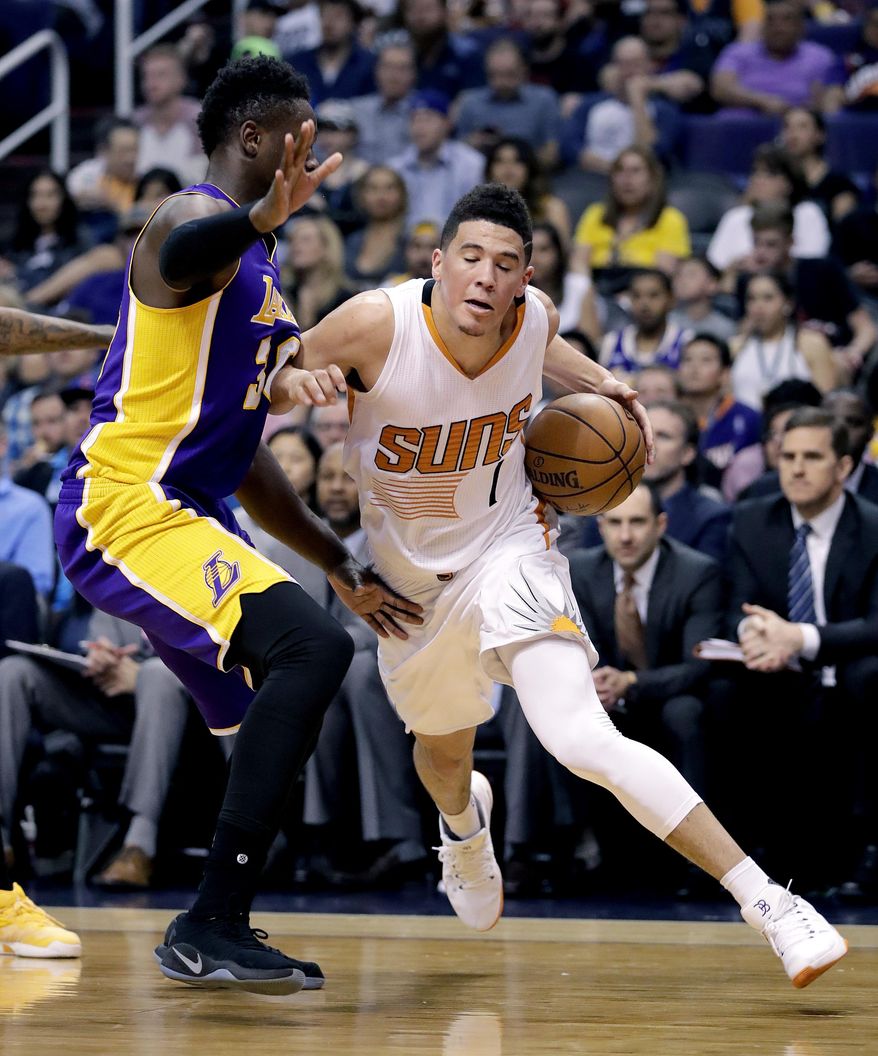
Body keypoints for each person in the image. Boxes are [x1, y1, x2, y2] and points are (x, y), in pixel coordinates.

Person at [278, 182, 848, 988]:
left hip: (511, 549)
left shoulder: (533, 315)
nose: (486, 277)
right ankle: (464, 832)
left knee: (581, 737)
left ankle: (770, 903)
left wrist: (610, 386)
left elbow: (549, 348)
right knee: (442, 761)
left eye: (506, 264)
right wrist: (292, 385)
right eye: (470, 258)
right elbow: (278, 371)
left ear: (525, 276)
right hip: (407, 588)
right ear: (438, 263)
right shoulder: (377, 322)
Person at [52, 55, 421, 995]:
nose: (313, 152)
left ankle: (216, 916)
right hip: (127, 503)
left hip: (195, 510)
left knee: (262, 726)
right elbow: (182, 256)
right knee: (313, 650)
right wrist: (259, 219)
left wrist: (336, 558)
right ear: (255, 138)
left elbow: (249, 456)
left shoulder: (258, 271)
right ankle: (208, 921)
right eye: (299, 135)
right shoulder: (187, 218)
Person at [723, 407, 878, 889]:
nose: (796, 468)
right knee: (727, 693)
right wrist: (756, 638)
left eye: (812, 456)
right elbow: (737, 606)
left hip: (850, 668)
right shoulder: (752, 520)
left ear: (844, 468)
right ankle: (749, 855)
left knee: (867, 678)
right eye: (787, 456)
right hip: (778, 671)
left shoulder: (873, 527)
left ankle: (865, 851)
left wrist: (801, 638)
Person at [568, 482, 722, 799]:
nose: (625, 536)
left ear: (660, 524)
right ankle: (572, 838)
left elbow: (698, 666)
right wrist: (602, 682)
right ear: (601, 527)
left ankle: (699, 835)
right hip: (607, 694)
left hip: (668, 691)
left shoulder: (696, 573)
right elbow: (583, 649)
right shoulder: (580, 571)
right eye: (615, 523)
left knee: (685, 712)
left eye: (636, 522)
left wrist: (631, 682)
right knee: (569, 713)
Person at [573, 147, 691, 284]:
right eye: (620, 170)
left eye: (636, 171)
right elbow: (578, 263)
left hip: (644, 296)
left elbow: (663, 274)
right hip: (596, 290)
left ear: (652, 179)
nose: (626, 179)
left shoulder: (671, 219)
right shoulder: (595, 213)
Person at [707, 145, 829, 275]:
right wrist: (735, 267)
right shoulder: (736, 216)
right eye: (755, 172)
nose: (757, 180)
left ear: (789, 182)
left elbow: (812, 262)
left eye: (768, 174)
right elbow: (714, 267)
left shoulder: (807, 213)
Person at [710, 0, 841, 114]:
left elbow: (823, 102)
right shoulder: (738, 51)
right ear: (762, 26)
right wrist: (762, 101)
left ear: (801, 27)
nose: (778, 27)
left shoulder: (819, 56)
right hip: (738, 127)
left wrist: (790, 110)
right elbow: (720, 89)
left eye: (787, 20)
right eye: (770, 20)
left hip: (796, 129)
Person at [731, 272, 836, 410]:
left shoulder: (812, 344)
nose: (758, 307)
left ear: (788, 303)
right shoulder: (736, 346)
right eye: (751, 299)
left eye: (768, 298)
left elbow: (826, 401)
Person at [454, 38, 562, 170]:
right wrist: (474, 143)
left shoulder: (544, 99)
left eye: (509, 74)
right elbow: (456, 155)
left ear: (524, 71)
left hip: (532, 178)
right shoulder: (470, 102)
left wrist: (514, 161)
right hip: (481, 180)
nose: (501, 82)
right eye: (494, 75)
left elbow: (553, 153)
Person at [678, 332, 762, 499]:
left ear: (724, 374)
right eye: (688, 360)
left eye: (706, 360)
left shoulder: (749, 418)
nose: (694, 368)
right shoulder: (670, 419)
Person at [388, 89, 485, 230]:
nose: (420, 127)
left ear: (446, 123)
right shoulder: (395, 168)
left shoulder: (471, 164)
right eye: (415, 119)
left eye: (428, 119)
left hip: (455, 245)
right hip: (406, 247)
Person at [600, 268, 690, 382]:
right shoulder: (611, 342)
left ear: (671, 299)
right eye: (637, 296)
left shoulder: (686, 341)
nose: (644, 304)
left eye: (653, 295)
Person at [134, 44, 206, 186]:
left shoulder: (200, 118)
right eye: (147, 76)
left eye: (161, 75)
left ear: (181, 79)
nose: (151, 83)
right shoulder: (135, 122)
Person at [779, 108, 859, 226]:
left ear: (820, 135)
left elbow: (843, 230)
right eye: (787, 127)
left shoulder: (840, 184)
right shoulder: (774, 180)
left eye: (802, 127)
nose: (792, 134)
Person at [484, 138, 570, 247]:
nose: (508, 169)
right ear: (489, 169)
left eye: (517, 161)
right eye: (500, 161)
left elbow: (562, 255)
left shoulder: (551, 208)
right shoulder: (478, 209)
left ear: (529, 168)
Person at [351, 39, 417, 166]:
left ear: (413, 74)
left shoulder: (423, 114)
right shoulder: (356, 111)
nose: (394, 76)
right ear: (377, 71)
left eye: (402, 69)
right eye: (388, 67)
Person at [670, 256, 736, 342]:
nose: (682, 280)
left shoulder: (725, 329)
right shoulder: (667, 322)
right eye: (679, 275)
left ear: (712, 284)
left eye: (691, 274)